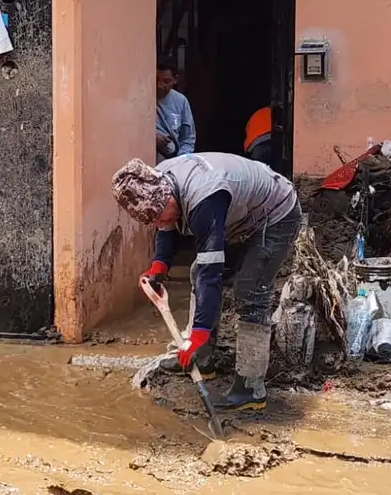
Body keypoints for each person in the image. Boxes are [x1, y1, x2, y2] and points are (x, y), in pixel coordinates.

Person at [110, 153, 301, 411]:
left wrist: (197, 333)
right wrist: (159, 265)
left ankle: (251, 387)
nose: (160, 223)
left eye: (159, 216)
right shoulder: (159, 181)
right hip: (239, 215)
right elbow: (166, 228)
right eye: (152, 220)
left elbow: (211, 272)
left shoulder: (203, 198)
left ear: (166, 195)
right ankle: (202, 358)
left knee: (250, 291)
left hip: (275, 213)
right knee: (195, 272)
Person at [156, 59, 196, 163]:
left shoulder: (181, 101)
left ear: (175, 80)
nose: (160, 85)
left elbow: (188, 137)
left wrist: (181, 161)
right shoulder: (142, 99)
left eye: (166, 81)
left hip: (174, 158)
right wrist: (151, 139)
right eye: (156, 80)